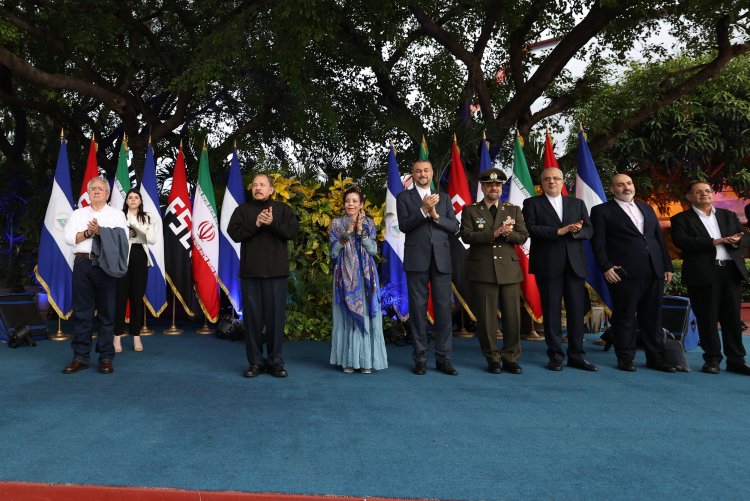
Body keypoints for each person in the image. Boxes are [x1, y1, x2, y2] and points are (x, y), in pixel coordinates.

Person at [590, 173, 675, 372]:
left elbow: (658, 239)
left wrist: (667, 266)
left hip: (654, 270)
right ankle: (626, 358)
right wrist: (605, 267)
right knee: (625, 317)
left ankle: (656, 359)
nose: (626, 187)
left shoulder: (646, 208)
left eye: (628, 183)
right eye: (620, 185)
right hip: (623, 273)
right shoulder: (601, 211)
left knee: (653, 318)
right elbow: (597, 242)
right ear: (612, 189)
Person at [670, 181, 750, 375]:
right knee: (707, 317)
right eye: (698, 191)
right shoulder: (681, 219)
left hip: (730, 272)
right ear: (689, 196)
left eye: (707, 191)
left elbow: (746, 237)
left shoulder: (728, 215)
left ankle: (736, 360)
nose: (704, 194)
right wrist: (714, 242)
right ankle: (712, 359)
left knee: (732, 318)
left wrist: (737, 240)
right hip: (703, 273)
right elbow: (682, 242)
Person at [522, 167, 598, 372]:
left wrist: (577, 231)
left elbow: (589, 230)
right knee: (551, 312)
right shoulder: (532, 203)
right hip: (547, 265)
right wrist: (559, 231)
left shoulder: (577, 203)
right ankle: (555, 356)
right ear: (542, 183)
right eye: (547, 178)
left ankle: (577, 356)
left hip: (574, 265)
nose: (552, 181)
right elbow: (529, 228)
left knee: (576, 312)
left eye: (556, 178)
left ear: (563, 182)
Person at [228, 173, 300, 378]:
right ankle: (255, 362)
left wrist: (272, 223)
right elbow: (234, 234)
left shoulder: (283, 210)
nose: (258, 188)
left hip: (276, 274)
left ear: (271, 189)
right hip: (251, 274)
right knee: (252, 321)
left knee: (276, 320)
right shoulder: (242, 211)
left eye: (262, 185)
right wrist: (256, 224)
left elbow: (292, 232)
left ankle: (276, 362)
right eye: (255, 185)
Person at [460, 167, 528, 374]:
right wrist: (494, 233)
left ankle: (511, 357)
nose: (494, 188)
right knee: (487, 319)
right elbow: (466, 236)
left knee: (512, 317)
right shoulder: (471, 210)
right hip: (482, 270)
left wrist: (507, 234)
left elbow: (523, 236)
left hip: (508, 270)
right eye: (489, 185)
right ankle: (492, 358)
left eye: (498, 185)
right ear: (483, 187)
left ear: (502, 187)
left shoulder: (513, 209)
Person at [397, 159, 459, 375]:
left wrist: (436, 216)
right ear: (413, 174)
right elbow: (404, 226)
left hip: (441, 260)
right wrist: (423, 210)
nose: (422, 174)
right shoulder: (404, 197)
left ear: (432, 173)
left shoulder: (445, 197)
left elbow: (455, 226)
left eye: (426, 170)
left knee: (443, 311)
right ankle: (420, 358)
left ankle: (444, 359)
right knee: (417, 311)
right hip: (416, 260)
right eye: (418, 171)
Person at [62, 177, 128, 374]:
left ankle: (106, 357)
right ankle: (80, 357)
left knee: (107, 313)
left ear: (107, 194)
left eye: (100, 189)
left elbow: (122, 239)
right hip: (82, 264)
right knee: (82, 313)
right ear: (88, 193)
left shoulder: (116, 215)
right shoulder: (78, 214)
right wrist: (88, 233)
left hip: (106, 265)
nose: (97, 191)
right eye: (93, 189)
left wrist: (100, 231)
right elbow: (69, 238)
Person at [328, 186, 388, 373]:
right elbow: (333, 252)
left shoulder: (369, 223)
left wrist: (361, 231)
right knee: (347, 317)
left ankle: (366, 361)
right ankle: (348, 361)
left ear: (361, 204)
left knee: (367, 317)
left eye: (355, 201)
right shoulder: (336, 223)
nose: (350, 204)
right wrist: (347, 233)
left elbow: (373, 250)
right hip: (344, 277)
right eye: (347, 201)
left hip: (365, 276)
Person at [114, 188, 157, 353]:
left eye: (136, 197)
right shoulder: (118, 216)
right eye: (130, 197)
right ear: (126, 201)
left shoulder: (147, 218)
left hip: (140, 257)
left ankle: (136, 336)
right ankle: (117, 336)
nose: (133, 200)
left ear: (140, 201)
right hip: (122, 258)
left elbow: (152, 239)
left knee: (137, 298)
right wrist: (126, 235)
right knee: (120, 298)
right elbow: (114, 237)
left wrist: (137, 232)